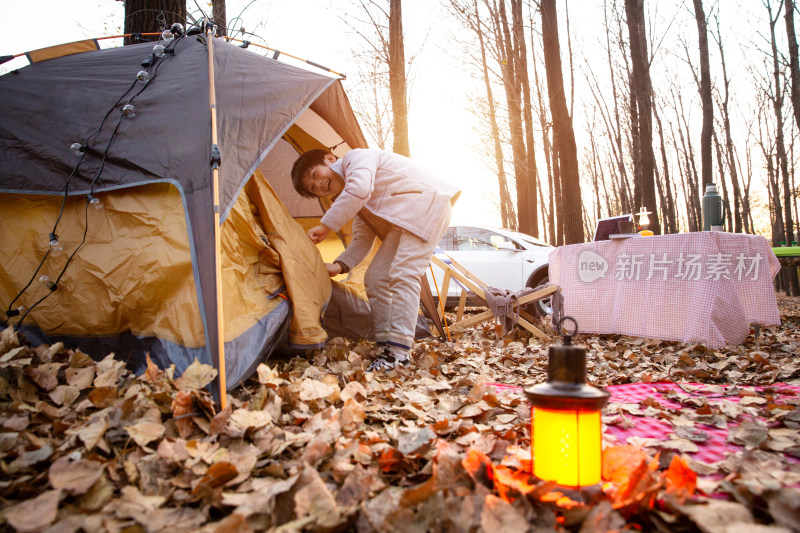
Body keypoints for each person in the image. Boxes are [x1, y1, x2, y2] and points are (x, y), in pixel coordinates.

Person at [291, 148, 460, 371]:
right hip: (407, 219)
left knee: (403, 273)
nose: (320, 185)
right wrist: (339, 265)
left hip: (427, 205)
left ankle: (399, 354)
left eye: (316, 175)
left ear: (330, 159)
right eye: (313, 188)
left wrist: (326, 225)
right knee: (375, 277)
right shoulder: (355, 200)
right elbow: (362, 239)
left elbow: (360, 189)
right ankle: (386, 344)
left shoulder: (356, 159)